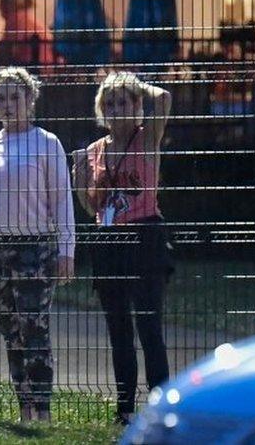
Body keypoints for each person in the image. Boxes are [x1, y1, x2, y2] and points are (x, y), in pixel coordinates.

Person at [0, 66, 75, 422]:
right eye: (1, 99)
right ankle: (24, 408)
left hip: (34, 250)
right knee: (10, 332)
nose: (8, 105)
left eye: (15, 97)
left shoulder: (47, 143)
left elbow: (63, 201)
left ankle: (43, 410)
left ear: (30, 99)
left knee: (34, 328)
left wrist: (67, 251)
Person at [71, 71, 173, 425]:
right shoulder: (94, 151)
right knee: (118, 329)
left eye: (123, 101)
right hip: (109, 240)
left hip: (145, 237)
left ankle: (161, 409)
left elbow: (164, 100)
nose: (115, 108)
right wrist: (81, 183)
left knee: (149, 326)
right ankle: (125, 408)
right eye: (109, 102)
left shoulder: (147, 139)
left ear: (136, 105)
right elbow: (93, 207)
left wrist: (132, 82)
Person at [0, 0, 57, 74]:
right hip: (49, 68)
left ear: (7, 5)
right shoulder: (28, 18)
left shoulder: (14, 21)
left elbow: (5, 51)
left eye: (1, 4)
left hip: (32, 70)